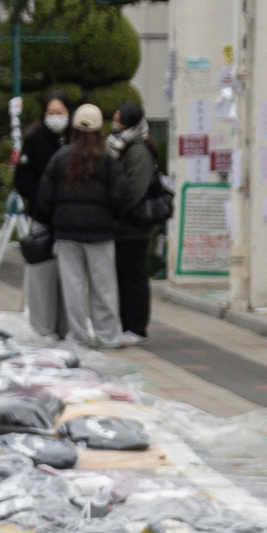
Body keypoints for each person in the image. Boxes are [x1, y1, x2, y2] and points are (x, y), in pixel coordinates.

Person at [33, 103, 131, 349]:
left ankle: (78, 337)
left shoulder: (61, 157)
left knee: (73, 288)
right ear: (100, 129)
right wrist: (113, 219)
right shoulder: (108, 158)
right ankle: (108, 336)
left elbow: (45, 196)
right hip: (100, 233)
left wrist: (52, 220)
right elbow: (121, 195)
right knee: (104, 288)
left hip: (67, 233)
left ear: (74, 128)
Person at [110, 90, 164, 344]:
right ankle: (126, 325)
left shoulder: (138, 150)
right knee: (124, 275)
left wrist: (116, 209)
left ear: (128, 122)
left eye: (118, 118)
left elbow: (135, 190)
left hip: (134, 225)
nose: (114, 122)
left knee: (133, 276)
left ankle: (136, 327)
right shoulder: (124, 146)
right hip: (125, 226)